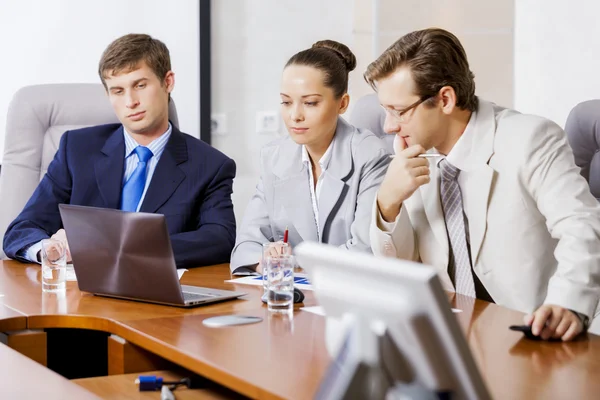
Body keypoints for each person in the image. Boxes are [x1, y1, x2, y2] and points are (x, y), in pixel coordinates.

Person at [367, 28, 600, 341]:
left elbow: (582, 226)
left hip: (531, 330)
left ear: (445, 99)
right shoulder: (411, 150)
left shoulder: (529, 139)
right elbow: (402, 268)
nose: (388, 126)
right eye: (385, 110)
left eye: (399, 111)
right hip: (453, 333)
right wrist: (388, 204)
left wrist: (566, 302)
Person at [3, 33, 236, 268]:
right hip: (80, 296)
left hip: (155, 295)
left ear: (168, 82)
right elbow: (22, 230)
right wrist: (49, 251)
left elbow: (220, 239)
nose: (130, 101)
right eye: (117, 91)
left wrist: (122, 248)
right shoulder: (76, 149)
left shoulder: (210, 165)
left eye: (140, 85)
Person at [230, 40, 390, 274]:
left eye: (310, 103)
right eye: (286, 102)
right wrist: (264, 259)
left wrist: (291, 264)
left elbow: (365, 251)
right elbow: (246, 243)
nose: (295, 115)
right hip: (293, 299)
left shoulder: (370, 155)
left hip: (351, 297)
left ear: (342, 103)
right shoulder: (274, 156)